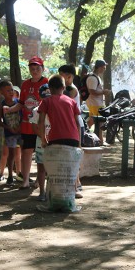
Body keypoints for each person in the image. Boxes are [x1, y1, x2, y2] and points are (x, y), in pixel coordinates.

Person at [37, 75, 83, 211]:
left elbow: (40, 122)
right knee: (71, 170)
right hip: (73, 138)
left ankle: (53, 200)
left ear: (49, 89)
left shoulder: (46, 101)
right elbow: (78, 123)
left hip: (55, 138)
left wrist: (44, 139)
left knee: (55, 170)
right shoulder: (71, 102)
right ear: (63, 88)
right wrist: (79, 142)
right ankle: (71, 198)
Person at [6, 56, 48, 190]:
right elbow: (22, 104)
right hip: (27, 125)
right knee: (27, 152)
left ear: (42, 68)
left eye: (37, 68)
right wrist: (10, 110)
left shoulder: (47, 83)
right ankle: (25, 180)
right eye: (32, 68)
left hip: (41, 125)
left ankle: (39, 180)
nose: (35, 71)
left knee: (42, 153)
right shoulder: (25, 84)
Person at [59, 64, 84, 198]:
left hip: (75, 125)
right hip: (69, 125)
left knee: (74, 155)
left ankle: (75, 185)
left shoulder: (71, 90)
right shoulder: (65, 89)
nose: (60, 78)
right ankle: (75, 182)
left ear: (69, 76)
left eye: (61, 75)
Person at [0, 81, 21, 185]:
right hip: (9, 134)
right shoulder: (1, 106)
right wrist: (9, 128)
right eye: (8, 90)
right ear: (2, 92)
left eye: (11, 90)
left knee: (20, 154)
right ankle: (10, 175)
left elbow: (22, 116)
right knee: (10, 155)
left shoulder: (18, 103)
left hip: (20, 132)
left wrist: (19, 127)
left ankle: (21, 174)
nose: (11, 92)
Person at [85, 59, 111, 142]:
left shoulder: (97, 77)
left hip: (96, 103)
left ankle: (83, 133)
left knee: (92, 121)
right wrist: (103, 92)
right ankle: (100, 140)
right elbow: (92, 91)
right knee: (100, 122)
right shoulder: (93, 78)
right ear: (99, 67)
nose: (104, 69)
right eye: (103, 67)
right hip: (95, 103)